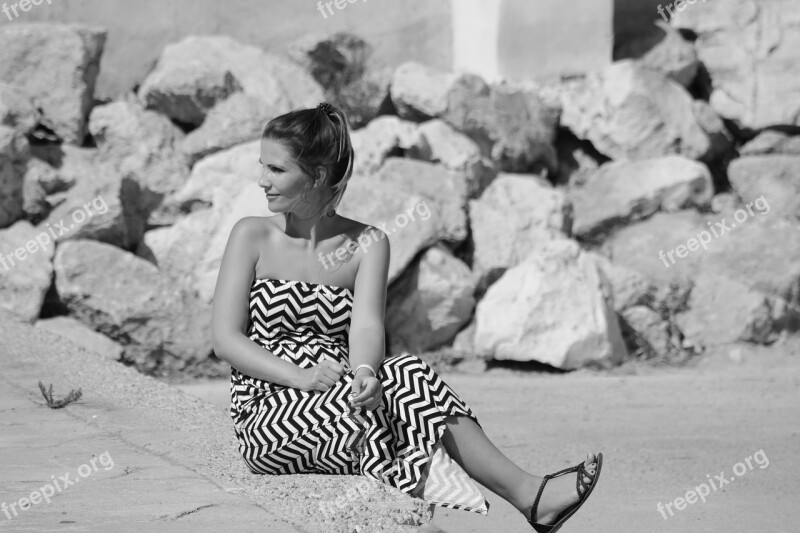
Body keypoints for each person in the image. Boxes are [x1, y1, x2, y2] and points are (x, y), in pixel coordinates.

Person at [211, 102, 603, 531]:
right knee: (388, 412)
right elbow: (226, 339)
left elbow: (365, 326)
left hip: (340, 392)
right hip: (269, 412)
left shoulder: (367, 242)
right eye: (262, 166)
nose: (262, 180)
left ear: (318, 176)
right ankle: (507, 499)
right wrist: (298, 376)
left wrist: (364, 372)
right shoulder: (252, 235)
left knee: (404, 375)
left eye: (276, 170)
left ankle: (519, 498)